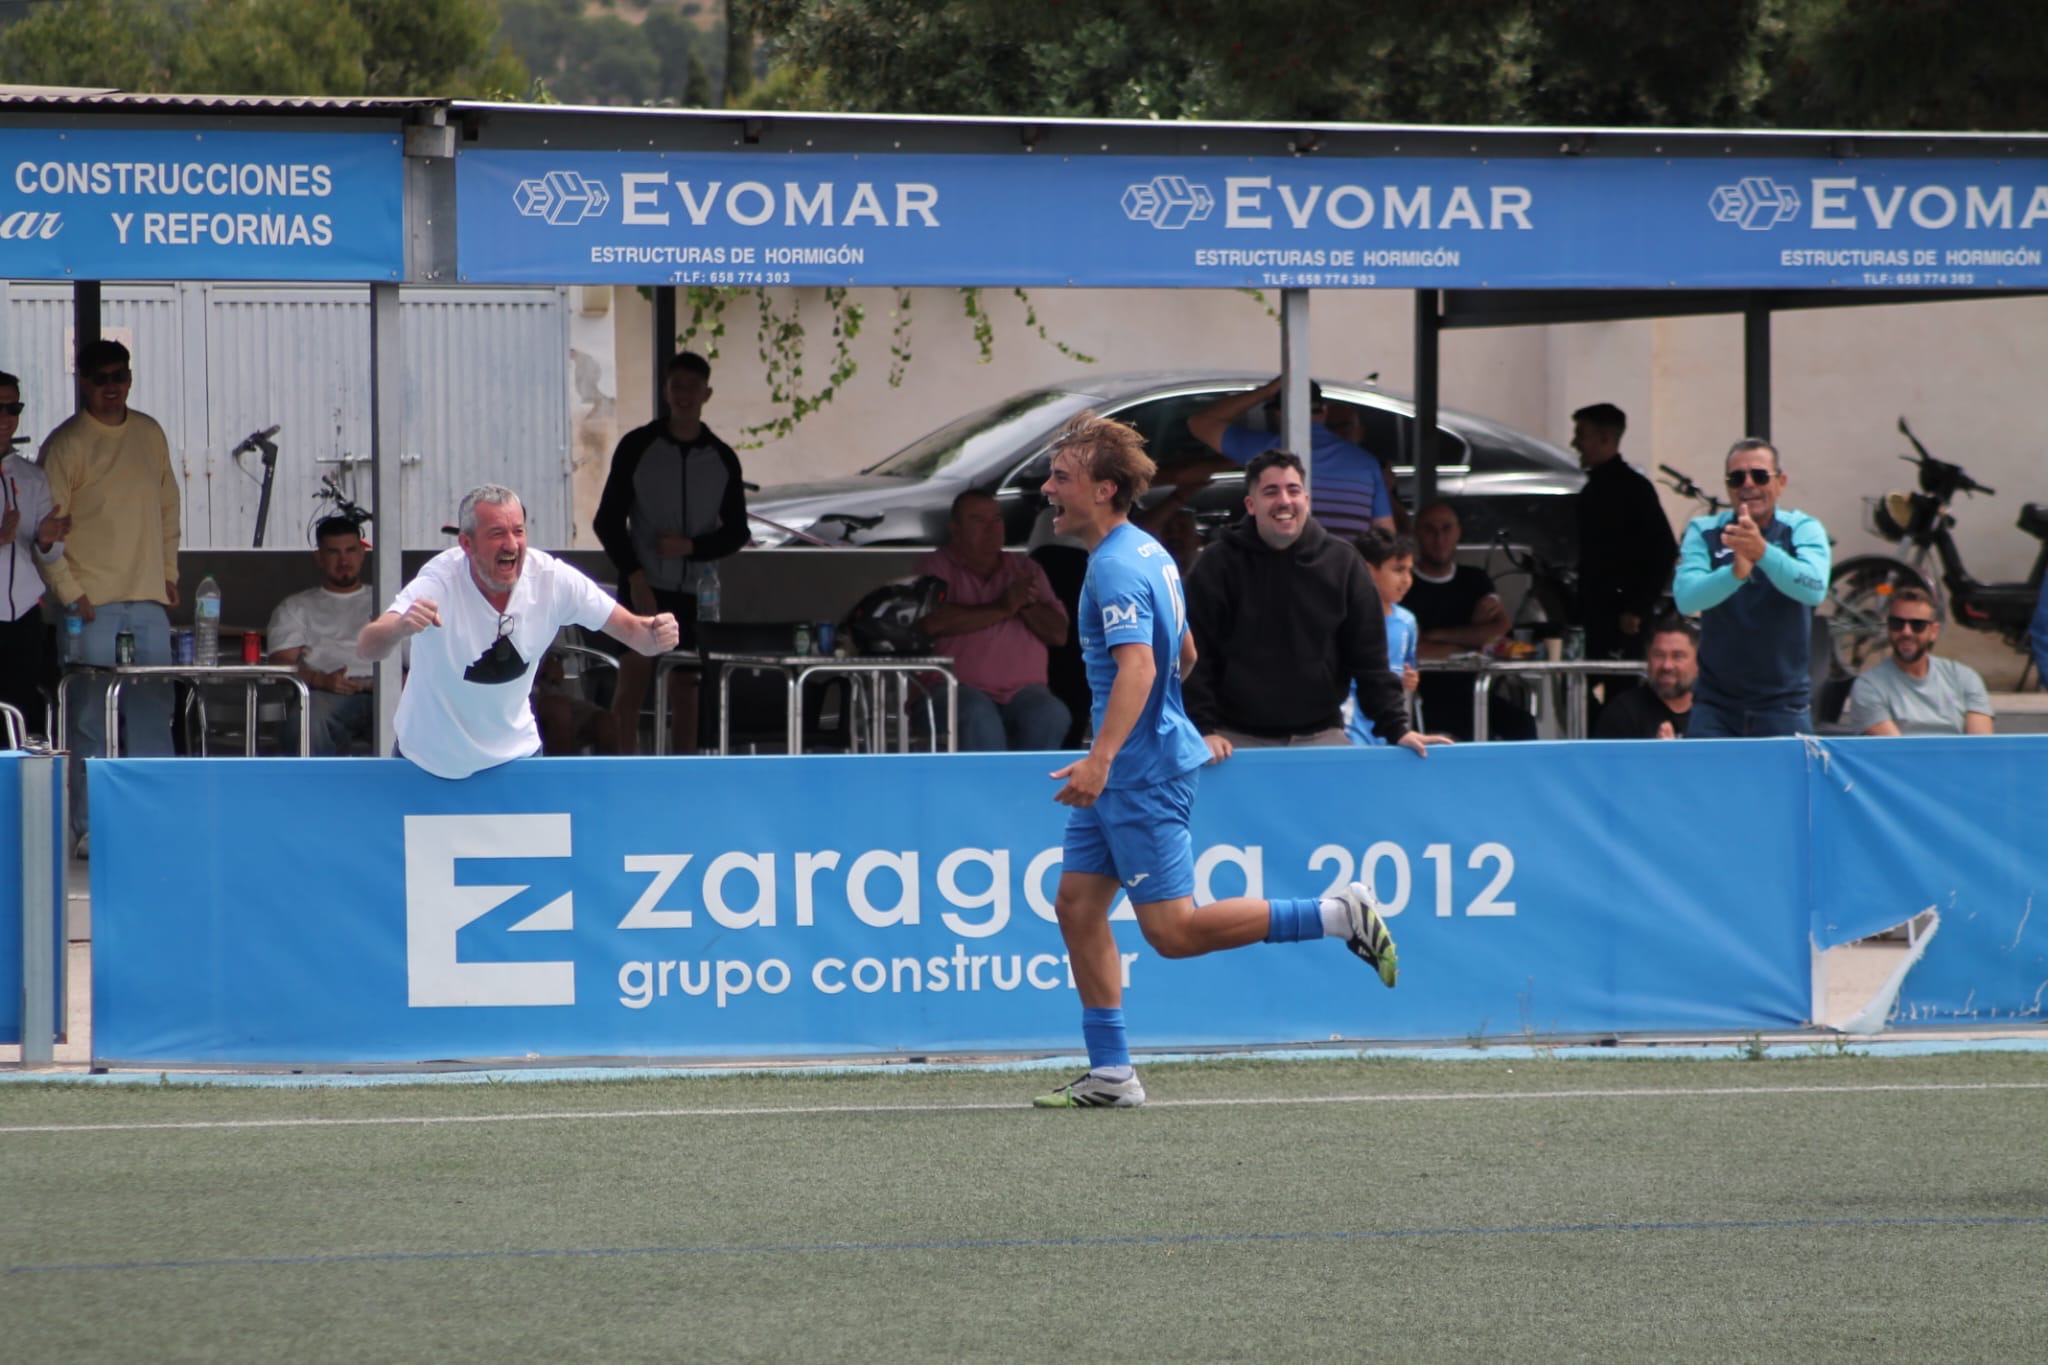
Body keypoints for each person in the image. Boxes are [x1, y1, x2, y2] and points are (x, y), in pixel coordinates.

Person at [1029, 412, 1405, 1111]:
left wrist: (1104, 757)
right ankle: (1111, 1073)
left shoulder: (1116, 565)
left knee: (1172, 933)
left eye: (1061, 477)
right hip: (1134, 768)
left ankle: (1337, 913)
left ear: (1105, 489)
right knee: (1077, 905)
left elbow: (1141, 667)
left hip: (1138, 775)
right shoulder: (1145, 551)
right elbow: (1186, 651)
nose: (1047, 488)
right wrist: (1145, 729)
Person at [358, 484, 679, 780]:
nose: (511, 544)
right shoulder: (439, 581)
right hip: (426, 763)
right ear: (467, 544)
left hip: (515, 759)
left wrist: (656, 635)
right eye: (497, 533)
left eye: (518, 531)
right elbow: (368, 647)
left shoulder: (552, 579)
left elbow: (635, 633)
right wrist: (399, 627)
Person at [1182, 450, 1433, 755]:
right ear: (1250, 505)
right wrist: (1202, 729)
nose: (1284, 501)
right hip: (1232, 739)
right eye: (1271, 492)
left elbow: (1370, 660)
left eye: (1293, 490)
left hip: (1321, 735)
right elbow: (1195, 655)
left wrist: (1397, 729)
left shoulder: (1343, 563)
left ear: (1307, 500)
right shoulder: (1216, 564)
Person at [39, 340, 180, 852]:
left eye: (119, 375)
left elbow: (168, 507)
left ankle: (156, 822)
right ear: (82, 381)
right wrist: (69, 593)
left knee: (153, 716)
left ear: (130, 378)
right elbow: (44, 530)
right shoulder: (67, 444)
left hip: (147, 599)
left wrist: (168, 572)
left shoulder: (149, 433)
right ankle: (89, 827)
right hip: (89, 607)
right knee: (89, 721)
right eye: (100, 378)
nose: (111, 386)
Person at [593, 351, 749, 753]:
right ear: (666, 391)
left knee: (687, 688)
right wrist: (634, 575)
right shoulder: (637, 446)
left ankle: (683, 773)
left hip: (697, 592)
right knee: (632, 681)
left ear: (707, 394)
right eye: (677, 386)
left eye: (693, 387)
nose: (684, 395)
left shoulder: (722, 458)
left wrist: (691, 547)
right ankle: (621, 772)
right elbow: (607, 521)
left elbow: (737, 532)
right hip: (644, 586)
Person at [1672, 438, 1831, 737]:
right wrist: (1734, 575)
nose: (1748, 484)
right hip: (1716, 705)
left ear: (1781, 482)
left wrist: (1763, 553)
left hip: (1784, 704)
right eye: (1737, 478)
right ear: (1728, 486)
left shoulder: (1802, 528)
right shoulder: (1704, 531)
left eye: (1759, 475)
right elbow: (1686, 599)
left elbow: (1814, 589)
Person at [914, 489, 1071, 751]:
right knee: (977, 713)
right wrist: (1003, 607)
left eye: (997, 519)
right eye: (978, 520)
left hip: (1024, 692)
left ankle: (1031, 781)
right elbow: (931, 622)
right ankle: (988, 782)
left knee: (1051, 714)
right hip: (950, 689)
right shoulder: (935, 567)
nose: (992, 528)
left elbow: (1059, 634)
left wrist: (1026, 605)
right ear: (955, 529)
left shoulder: (1026, 569)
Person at [1187, 376, 1396, 539]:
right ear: (1324, 413)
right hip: (1347, 576)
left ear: (1279, 414)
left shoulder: (1266, 452)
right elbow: (1385, 532)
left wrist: (1265, 391)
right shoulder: (1368, 464)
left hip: (1287, 576)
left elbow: (1199, 423)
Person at [1405, 499, 1533, 741]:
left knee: (1522, 724)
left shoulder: (1476, 580)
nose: (1439, 538)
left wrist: (1436, 635)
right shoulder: (1405, 584)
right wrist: (1470, 640)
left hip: (1475, 691)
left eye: (1446, 529)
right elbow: (1415, 649)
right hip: (1423, 696)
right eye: (1430, 529)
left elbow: (1500, 630)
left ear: (1458, 532)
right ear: (1416, 534)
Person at [1571, 402, 1678, 664]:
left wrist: (1636, 607)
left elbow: (1663, 550)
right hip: (1596, 614)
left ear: (1605, 438)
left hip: (1623, 620)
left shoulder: (1634, 490)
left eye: (1581, 435)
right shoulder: (1591, 491)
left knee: (1621, 682)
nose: (1575, 443)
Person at [265, 516, 376, 755]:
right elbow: (280, 667)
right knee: (306, 719)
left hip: (386, 692)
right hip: (326, 694)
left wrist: (406, 678)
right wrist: (320, 680)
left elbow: (422, 656)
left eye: (350, 550)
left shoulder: (389, 599)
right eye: (334, 552)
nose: (344, 560)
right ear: (319, 558)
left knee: (427, 716)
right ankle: (313, 782)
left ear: (362, 554)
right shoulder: (296, 607)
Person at [1, 370, 69, 737]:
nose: (5, 418)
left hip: (25, 613)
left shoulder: (32, 476)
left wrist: (46, 541)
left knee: (22, 711)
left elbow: (51, 554)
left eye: (13, 408)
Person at [1842, 586, 1994, 736]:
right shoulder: (1869, 686)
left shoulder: (1964, 677)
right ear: (1888, 628)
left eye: (1917, 625)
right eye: (1897, 623)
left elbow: (1980, 743)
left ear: (1933, 631)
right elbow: (1896, 748)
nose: (1906, 632)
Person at [1346, 528, 1448, 747]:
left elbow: (1408, 667)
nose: (1407, 580)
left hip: (1388, 723)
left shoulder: (1407, 621)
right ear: (1368, 570)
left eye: (1410, 570)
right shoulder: (1345, 617)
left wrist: (1410, 679)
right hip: (1350, 720)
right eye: (1398, 570)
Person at [1593, 615, 1698, 739]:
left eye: (1677, 656)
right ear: (1648, 659)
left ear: (1698, 662)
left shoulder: (1712, 713)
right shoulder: (1622, 713)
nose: (1667, 665)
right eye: (1659, 655)